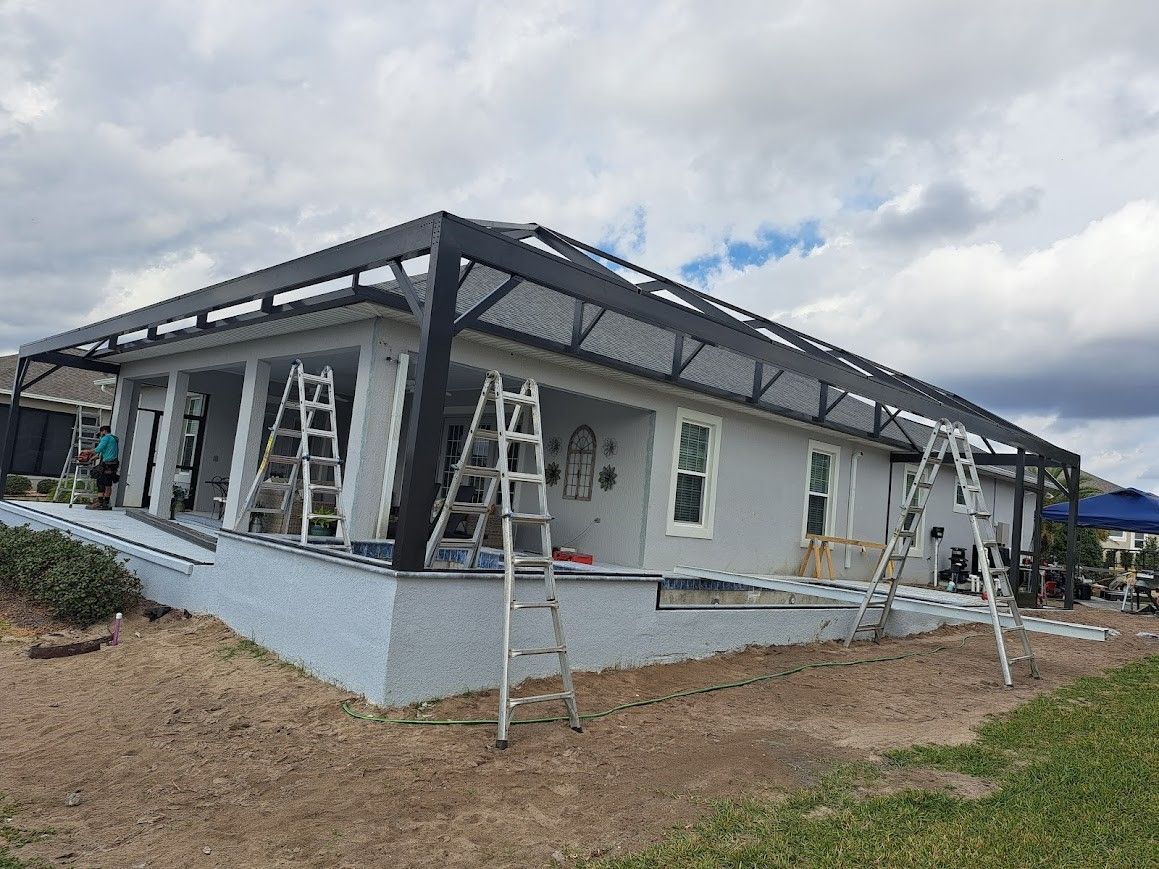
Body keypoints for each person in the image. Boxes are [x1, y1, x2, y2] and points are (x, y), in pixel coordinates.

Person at [87, 425, 120, 510]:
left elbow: (98, 449)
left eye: (101, 433)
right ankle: (106, 503)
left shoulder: (106, 438)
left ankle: (100, 503)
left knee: (100, 482)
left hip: (106, 464)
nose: (101, 435)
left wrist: (86, 451)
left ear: (104, 431)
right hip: (113, 464)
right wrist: (93, 458)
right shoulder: (114, 439)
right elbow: (103, 452)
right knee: (108, 483)